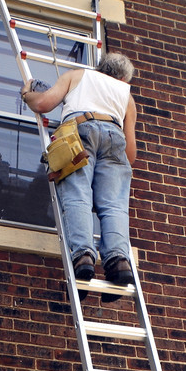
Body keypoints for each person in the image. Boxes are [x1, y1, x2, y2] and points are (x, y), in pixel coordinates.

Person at [21, 52, 137, 293]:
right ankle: (118, 260)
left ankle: (84, 255)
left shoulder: (78, 76)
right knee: (114, 205)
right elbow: (131, 154)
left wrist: (28, 94)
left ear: (100, 68)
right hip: (115, 137)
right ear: (124, 78)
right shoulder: (127, 96)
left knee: (77, 195)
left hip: (79, 130)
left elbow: (43, 104)